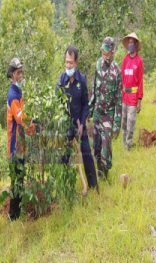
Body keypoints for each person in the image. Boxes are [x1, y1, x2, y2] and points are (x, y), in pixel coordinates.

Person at [56, 45, 98, 192]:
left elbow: (86, 105)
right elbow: (57, 104)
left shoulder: (82, 80)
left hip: (80, 124)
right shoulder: (61, 81)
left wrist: (82, 123)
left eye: (71, 62)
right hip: (66, 126)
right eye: (66, 62)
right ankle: (63, 187)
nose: (68, 65)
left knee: (86, 152)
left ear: (76, 63)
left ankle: (93, 186)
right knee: (64, 157)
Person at [89, 37, 122, 178]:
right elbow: (94, 88)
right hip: (97, 111)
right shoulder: (97, 65)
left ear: (112, 51)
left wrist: (117, 123)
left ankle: (105, 172)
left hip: (108, 113)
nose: (104, 53)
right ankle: (99, 170)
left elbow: (119, 99)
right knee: (96, 144)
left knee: (106, 144)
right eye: (103, 50)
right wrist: (89, 110)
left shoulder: (117, 71)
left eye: (107, 51)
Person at [6, 58, 35, 220]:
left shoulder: (19, 92)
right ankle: (13, 215)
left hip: (20, 143)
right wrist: (33, 126)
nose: (20, 75)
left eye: (21, 72)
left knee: (20, 176)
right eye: (18, 73)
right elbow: (20, 119)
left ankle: (17, 211)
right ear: (11, 75)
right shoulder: (13, 95)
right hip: (14, 145)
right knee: (16, 179)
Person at [121, 32, 144, 150]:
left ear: (135, 45)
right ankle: (123, 143)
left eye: (132, 43)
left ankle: (129, 145)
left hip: (134, 96)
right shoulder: (125, 59)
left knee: (131, 121)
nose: (130, 45)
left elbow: (140, 81)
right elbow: (122, 77)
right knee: (124, 121)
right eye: (129, 42)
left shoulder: (139, 61)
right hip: (124, 95)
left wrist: (139, 100)